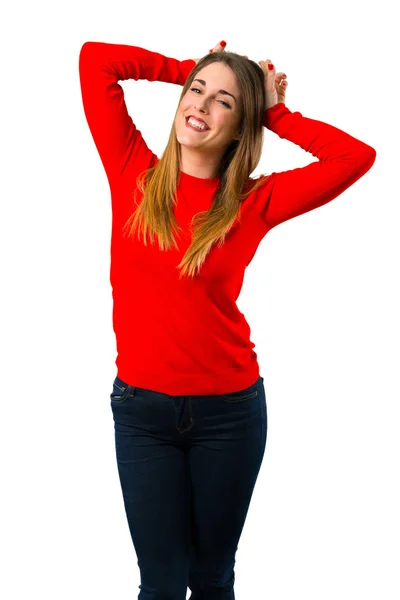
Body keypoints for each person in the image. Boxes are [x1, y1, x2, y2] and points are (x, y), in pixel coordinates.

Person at [78, 39, 376, 600]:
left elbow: (356, 158)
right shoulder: (131, 171)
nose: (201, 105)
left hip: (230, 415)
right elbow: (96, 58)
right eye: (197, 91)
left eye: (224, 102)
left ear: (243, 126)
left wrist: (278, 112)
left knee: (212, 578)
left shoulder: (252, 202)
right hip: (142, 414)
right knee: (161, 586)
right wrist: (183, 69)